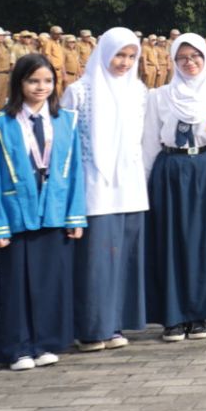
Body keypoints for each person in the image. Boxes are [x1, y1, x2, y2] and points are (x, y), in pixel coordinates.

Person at [0, 54, 87, 369]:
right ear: (19, 84)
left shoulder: (66, 120)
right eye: (33, 81)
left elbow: (76, 170)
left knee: (50, 282)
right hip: (18, 213)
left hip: (53, 210)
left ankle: (46, 342)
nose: (41, 87)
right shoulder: (1, 124)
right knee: (16, 284)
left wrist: (75, 215)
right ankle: (18, 347)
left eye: (47, 81)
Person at [143, 33, 206, 341]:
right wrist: (144, 185)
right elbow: (148, 143)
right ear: (173, 61)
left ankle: (199, 313)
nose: (190, 63)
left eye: (195, 57)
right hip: (170, 170)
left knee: (202, 242)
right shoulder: (159, 96)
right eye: (182, 58)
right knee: (169, 241)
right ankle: (172, 315)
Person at [65, 27, 149, 352]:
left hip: (129, 187)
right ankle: (89, 328)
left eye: (131, 56)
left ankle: (114, 323)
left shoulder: (139, 91)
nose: (124, 62)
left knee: (124, 259)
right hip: (93, 186)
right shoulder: (80, 91)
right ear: (103, 52)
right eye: (119, 55)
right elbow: (67, 146)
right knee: (94, 261)